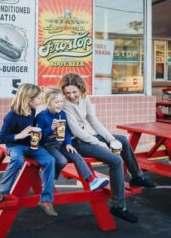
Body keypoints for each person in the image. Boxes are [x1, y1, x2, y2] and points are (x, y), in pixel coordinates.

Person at [59, 73, 156, 223]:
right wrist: (101, 143)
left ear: (81, 89)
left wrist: (110, 139)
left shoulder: (85, 99)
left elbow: (94, 122)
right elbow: (76, 131)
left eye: (74, 92)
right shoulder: (65, 104)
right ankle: (118, 206)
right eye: (67, 93)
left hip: (88, 136)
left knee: (122, 140)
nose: (71, 96)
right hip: (75, 142)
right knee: (115, 161)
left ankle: (137, 177)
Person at [0, 83, 58, 216]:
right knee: (17, 160)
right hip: (15, 145)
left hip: (31, 144)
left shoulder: (32, 110)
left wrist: (42, 133)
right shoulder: (11, 116)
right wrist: (20, 135)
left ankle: (46, 200)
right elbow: (1, 138)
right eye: (39, 99)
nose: (41, 102)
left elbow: (32, 128)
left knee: (50, 160)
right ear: (28, 99)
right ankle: (2, 190)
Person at [36, 86, 109, 191]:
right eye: (57, 102)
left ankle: (92, 181)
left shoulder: (62, 114)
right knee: (62, 161)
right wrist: (51, 128)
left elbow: (67, 131)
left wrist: (69, 143)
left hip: (62, 144)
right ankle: (49, 178)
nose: (60, 104)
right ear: (48, 102)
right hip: (48, 145)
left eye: (61, 101)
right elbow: (38, 135)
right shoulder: (42, 116)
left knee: (76, 156)